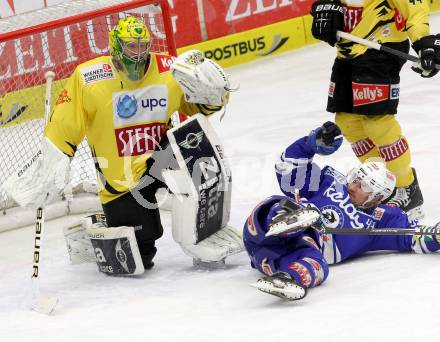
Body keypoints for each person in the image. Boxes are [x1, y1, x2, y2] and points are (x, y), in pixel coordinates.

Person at [3, 16, 243, 275]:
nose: (138, 54)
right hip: (121, 179)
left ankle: (206, 235)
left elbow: (195, 106)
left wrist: (214, 96)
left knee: (199, 160)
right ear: (116, 47)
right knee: (139, 259)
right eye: (131, 47)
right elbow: (65, 122)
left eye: (143, 46)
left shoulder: (169, 70)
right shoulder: (89, 78)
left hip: (161, 155)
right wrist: (55, 156)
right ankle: (97, 228)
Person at [243, 122, 440, 300]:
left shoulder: (383, 220)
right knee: (284, 205)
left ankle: (285, 278)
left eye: (363, 186)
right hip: (261, 229)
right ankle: (288, 220)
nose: (354, 186)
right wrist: (310, 145)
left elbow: (413, 237)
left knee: (318, 265)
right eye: (356, 178)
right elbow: (288, 171)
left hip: (277, 255)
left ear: (378, 198)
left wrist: (436, 236)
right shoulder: (328, 182)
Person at [309, 0, 440, 219]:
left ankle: (406, 189)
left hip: (381, 48)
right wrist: (323, 7)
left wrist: (424, 43)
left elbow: (414, 10)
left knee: (377, 123)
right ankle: (379, 185)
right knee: (347, 123)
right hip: (347, 52)